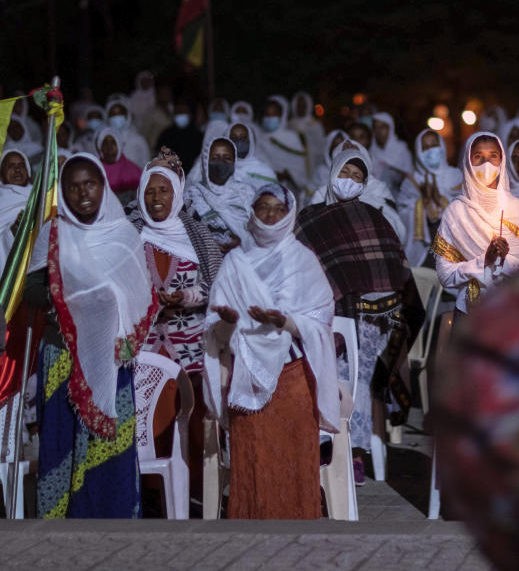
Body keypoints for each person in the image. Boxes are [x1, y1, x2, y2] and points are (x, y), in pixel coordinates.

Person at [28, 153, 157, 518]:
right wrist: (69, 301)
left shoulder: (124, 234)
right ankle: (60, 524)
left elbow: (140, 291)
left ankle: (112, 516)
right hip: (62, 356)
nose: (82, 193)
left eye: (90, 184)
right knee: (62, 440)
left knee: (109, 444)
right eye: (73, 187)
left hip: (112, 359)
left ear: (102, 185)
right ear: (63, 193)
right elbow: (32, 288)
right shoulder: (54, 233)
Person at [202, 184, 339, 519]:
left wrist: (287, 323)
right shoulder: (235, 262)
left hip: (292, 382)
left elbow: (321, 322)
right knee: (254, 464)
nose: (270, 215)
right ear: (251, 212)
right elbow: (214, 330)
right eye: (263, 207)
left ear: (289, 215)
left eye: (279, 209)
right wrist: (229, 323)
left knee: (291, 465)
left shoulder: (302, 260)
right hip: (246, 381)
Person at [296, 148, 425, 483]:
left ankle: (353, 453)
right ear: (332, 172)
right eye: (345, 173)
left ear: (366, 183)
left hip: (372, 322)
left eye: (358, 177)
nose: (349, 181)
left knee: (357, 365)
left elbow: (395, 270)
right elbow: (296, 269)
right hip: (320, 317)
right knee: (316, 355)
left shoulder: (374, 215)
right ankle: (320, 447)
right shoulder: (309, 218)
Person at [132, 157, 222, 512]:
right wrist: (150, 303)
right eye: (150, 191)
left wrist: (186, 297)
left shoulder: (197, 236)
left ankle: (195, 493)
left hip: (192, 352)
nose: (156, 198)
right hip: (147, 353)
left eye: (163, 190)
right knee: (150, 424)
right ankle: (153, 495)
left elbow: (218, 288)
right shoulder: (130, 235)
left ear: (177, 193)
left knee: (194, 420)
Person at [434, 132, 519, 314]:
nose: (486, 164)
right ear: (468, 161)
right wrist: (484, 261)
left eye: (493, 157)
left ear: (502, 160)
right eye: (478, 157)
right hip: (469, 310)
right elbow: (445, 275)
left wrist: (503, 260)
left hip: (512, 311)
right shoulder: (456, 212)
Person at [310, 139, 406, 240]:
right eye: (344, 171)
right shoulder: (322, 193)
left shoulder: (378, 188)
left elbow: (395, 227)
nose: (349, 178)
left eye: (356, 175)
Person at [398, 129, 461, 267]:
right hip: (424, 248)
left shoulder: (456, 176)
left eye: (434, 145)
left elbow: (466, 209)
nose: (430, 151)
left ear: (442, 147)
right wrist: (421, 204)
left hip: (454, 245)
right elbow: (401, 213)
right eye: (425, 147)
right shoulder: (411, 182)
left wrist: (440, 201)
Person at [184, 134, 256, 251]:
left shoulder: (247, 193)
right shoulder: (192, 194)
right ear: (205, 161)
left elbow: (260, 232)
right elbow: (183, 232)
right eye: (215, 158)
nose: (221, 163)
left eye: (227, 158)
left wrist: (242, 243)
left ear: (234, 162)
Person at [260, 95, 309, 190]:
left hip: (288, 187)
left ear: (281, 116)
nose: (270, 118)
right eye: (267, 114)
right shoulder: (259, 137)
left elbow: (299, 169)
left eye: (274, 114)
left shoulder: (291, 137)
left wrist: (288, 175)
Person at [370, 112, 414, 196]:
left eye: (382, 127)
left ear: (390, 128)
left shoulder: (401, 150)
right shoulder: (372, 151)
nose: (378, 131)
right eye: (375, 127)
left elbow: (409, 177)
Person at [0, 149, 32, 262]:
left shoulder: (40, 195)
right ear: (1, 173)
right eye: (11, 166)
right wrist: (12, 232)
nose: (17, 170)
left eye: (21, 165)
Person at [96, 126, 142, 203]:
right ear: (100, 147)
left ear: (119, 145)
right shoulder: (95, 170)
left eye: (113, 143)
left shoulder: (133, 171)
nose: (109, 148)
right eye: (105, 143)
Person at [156, 100, 205, 172]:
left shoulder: (199, 137)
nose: (180, 114)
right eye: (177, 112)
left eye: (183, 112)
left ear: (190, 115)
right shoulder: (166, 135)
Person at [105, 97, 151, 168]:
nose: (116, 117)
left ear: (127, 116)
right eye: (113, 114)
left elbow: (147, 163)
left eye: (120, 114)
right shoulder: (104, 140)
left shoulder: (138, 139)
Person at [288, 90, 327, 171]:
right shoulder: (289, 125)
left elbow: (321, 147)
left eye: (303, 106)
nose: (301, 109)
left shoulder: (316, 125)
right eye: (299, 105)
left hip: (312, 164)